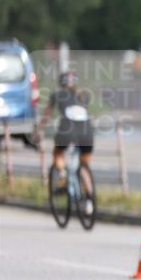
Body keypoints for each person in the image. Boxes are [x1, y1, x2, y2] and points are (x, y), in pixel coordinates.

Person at [39, 70, 94, 213]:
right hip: (87, 132)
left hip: (67, 131)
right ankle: (89, 200)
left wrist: (40, 131)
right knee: (84, 166)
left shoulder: (56, 95)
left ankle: (63, 175)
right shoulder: (84, 95)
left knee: (57, 153)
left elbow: (47, 117)